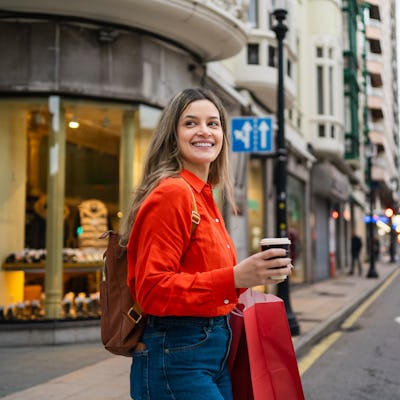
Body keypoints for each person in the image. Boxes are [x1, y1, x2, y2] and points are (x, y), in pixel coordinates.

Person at [120, 88, 293, 400]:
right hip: (177, 357)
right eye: (191, 123)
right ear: (173, 136)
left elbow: (206, 281)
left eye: (213, 124)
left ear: (223, 136)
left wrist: (254, 275)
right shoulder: (173, 193)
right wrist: (236, 277)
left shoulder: (203, 196)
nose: (204, 131)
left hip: (210, 354)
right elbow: (152, 290)